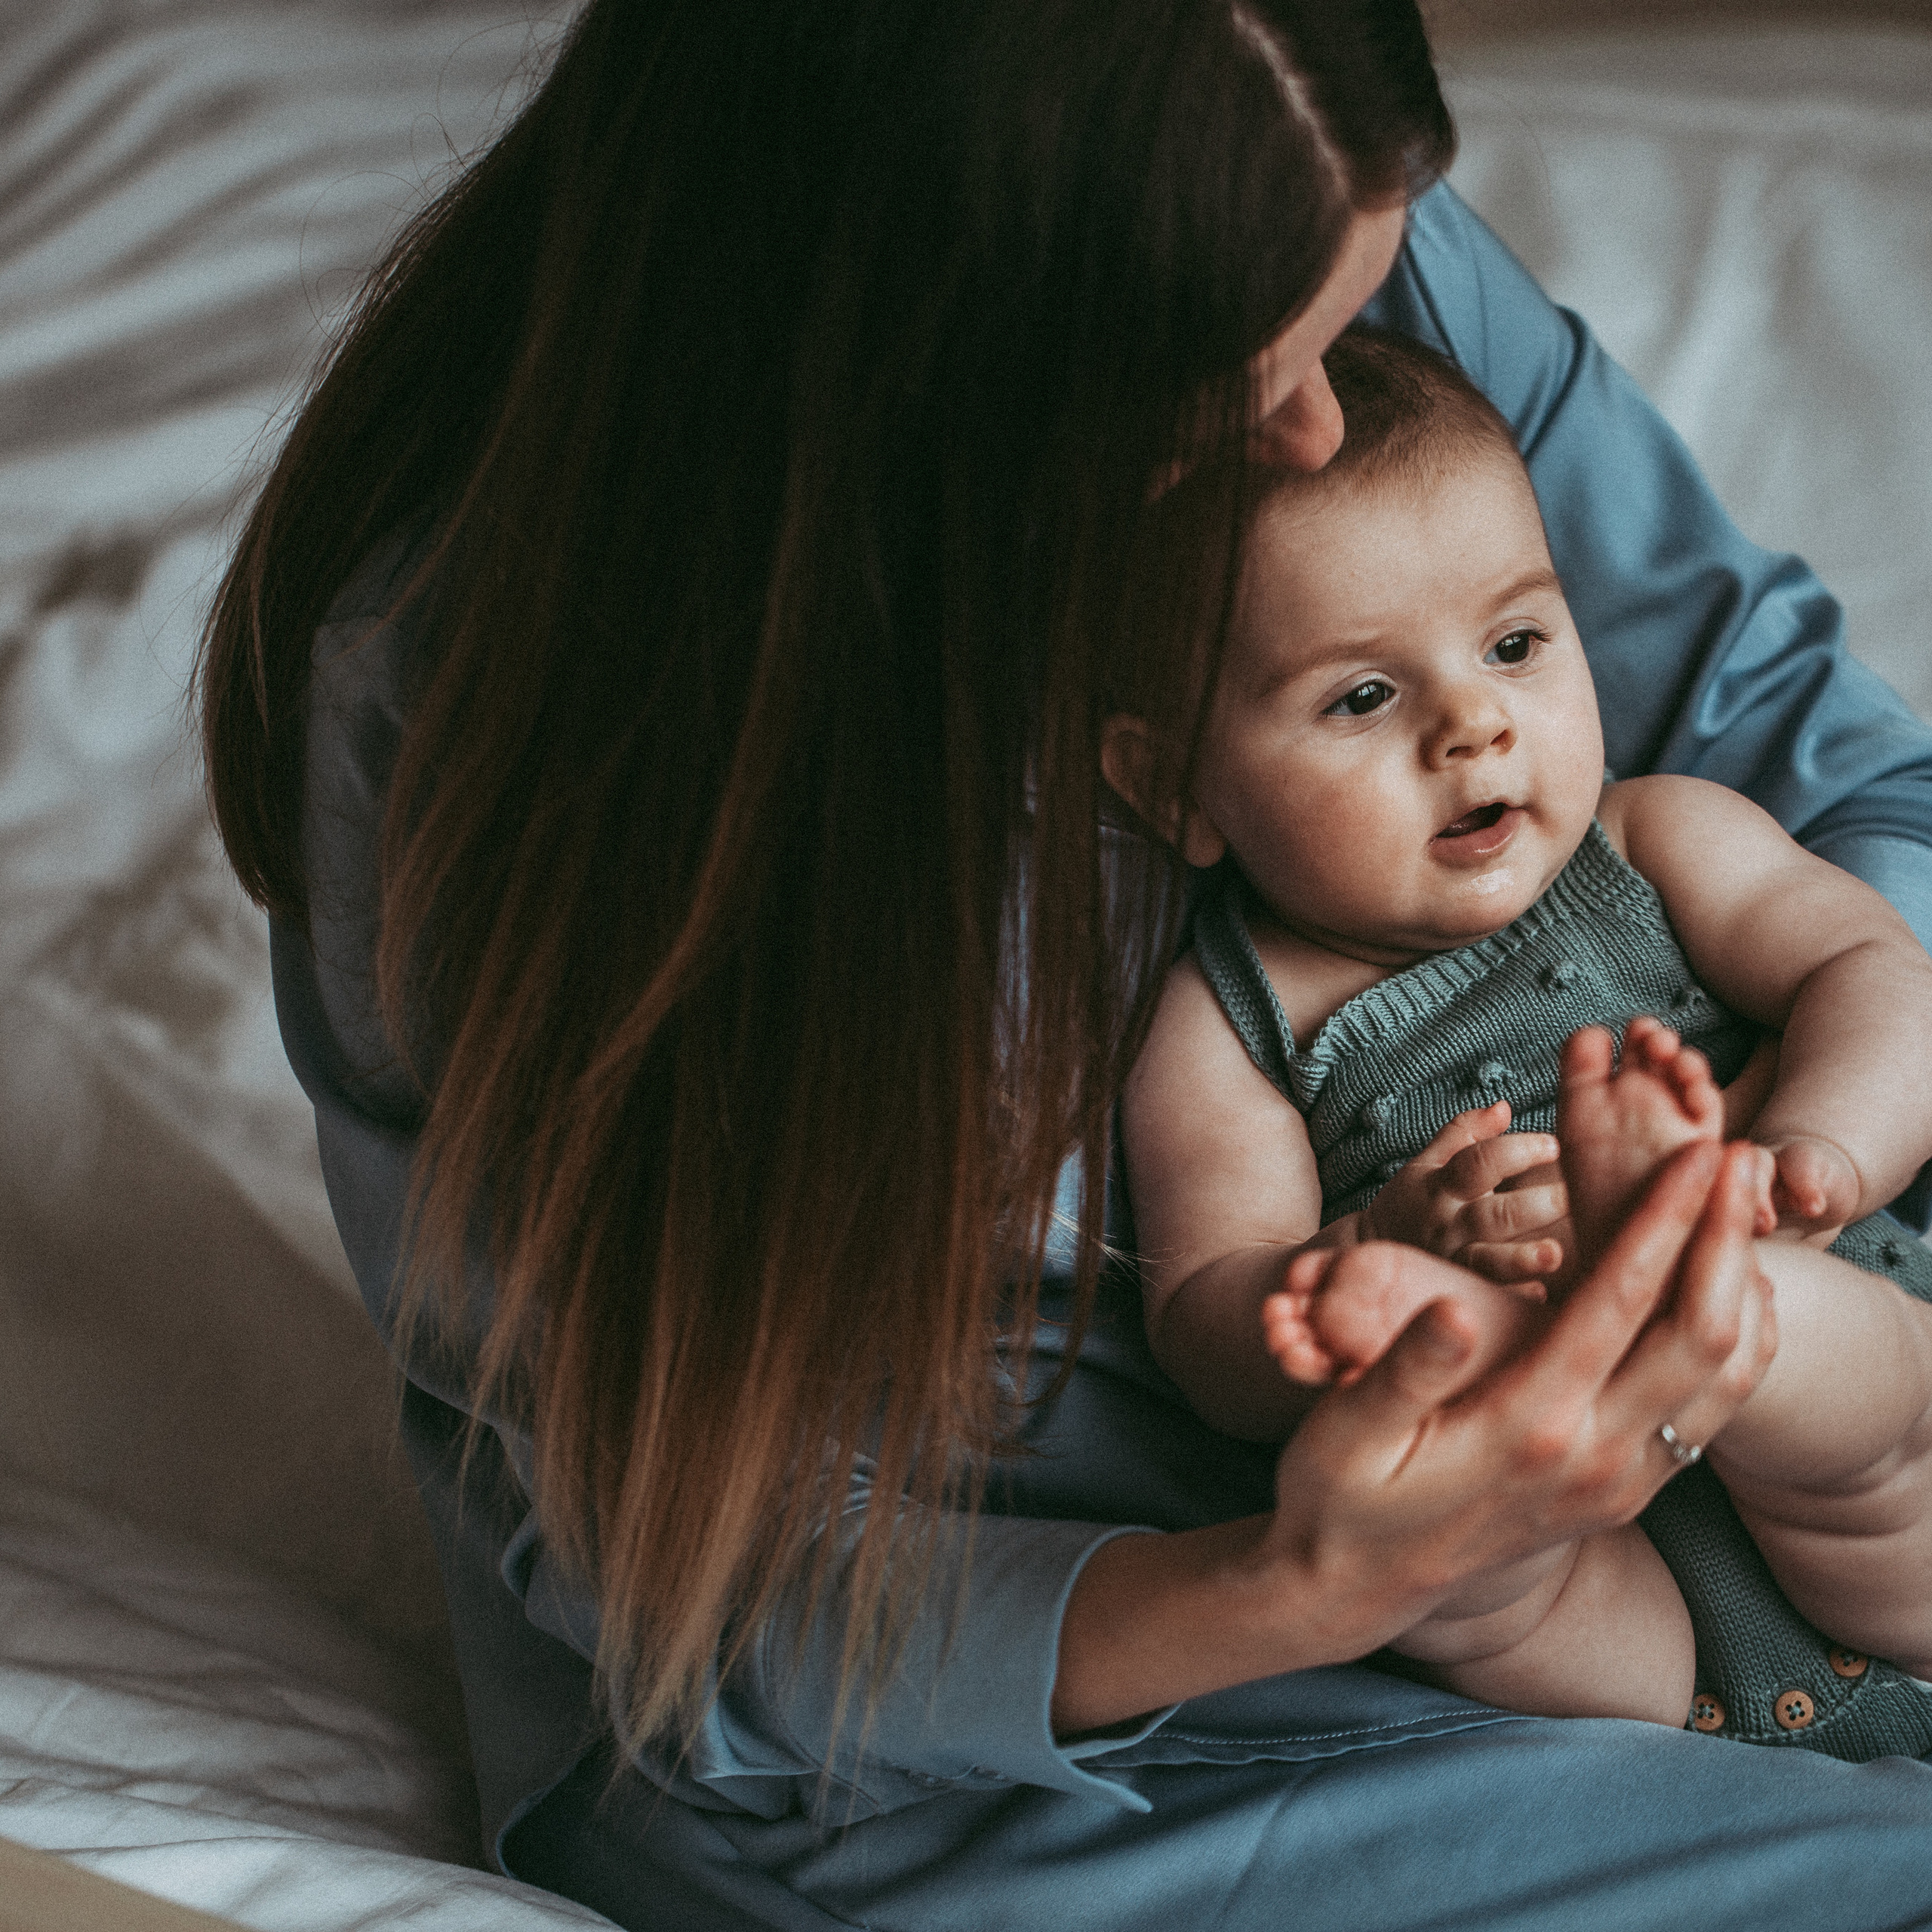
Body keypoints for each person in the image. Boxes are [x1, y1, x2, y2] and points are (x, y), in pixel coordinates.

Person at [197, 2, 1932, 1927]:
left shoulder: (1287, 229)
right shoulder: (494, 722)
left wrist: (1769, 1170)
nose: (1318, 425)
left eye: (1340, 317)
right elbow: (719, 1595)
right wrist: (1307, 1578)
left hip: (1687, 1419)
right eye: (1228, 385)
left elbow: (1820, 766)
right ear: (917, 365)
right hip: (1017, 1699)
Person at [1106, 325, 1932, 1737]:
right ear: (1175, 786)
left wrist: (1804, 1161)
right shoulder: (1222, 1028)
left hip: (1880, 1510)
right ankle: (1594, 1317)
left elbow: (1877, 973)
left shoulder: (1659, 842)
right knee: (1436, 1540)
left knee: (1816, 1359)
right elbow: (1204, 1322)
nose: (1474, 724)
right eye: (1363, 696)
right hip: (1626, 1629)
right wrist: (1370, 1266)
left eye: (1514, 644)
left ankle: (1700, 1272)